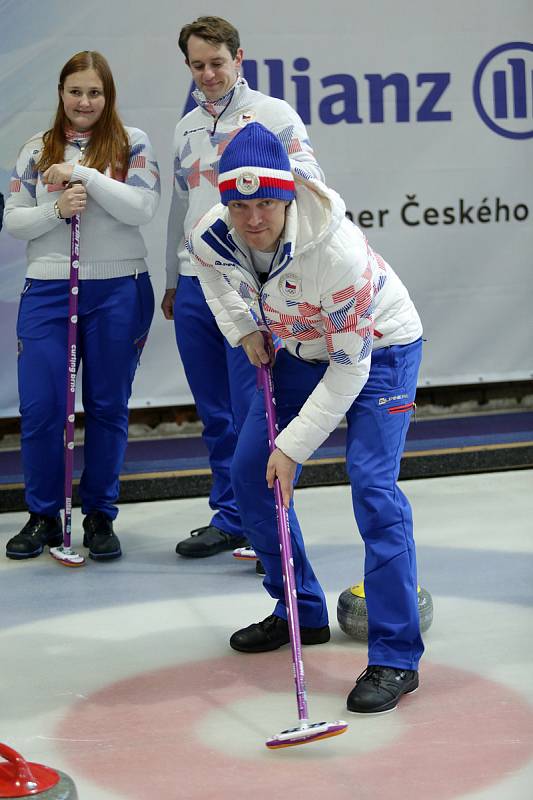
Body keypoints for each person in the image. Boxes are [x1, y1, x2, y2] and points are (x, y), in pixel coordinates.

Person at [187, 121, 425, 715]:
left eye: (265, 203)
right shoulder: (213, 235)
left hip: (379, 350)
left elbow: (350, 371)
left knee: (372, 485)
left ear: (287, 194)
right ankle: (298, 609)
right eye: (238, 206)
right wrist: (243, 328)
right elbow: (216, 280)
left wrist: (292, 448)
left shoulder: (334, 252)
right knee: (249, 474)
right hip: (298, 346)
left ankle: (396, 657)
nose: (252, 220)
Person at [162, 16, 324, 559]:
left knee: (258, 413)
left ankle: (269, 524)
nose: (208, 74)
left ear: (239, 59)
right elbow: (180, 210)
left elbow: (308, 191)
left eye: (217, 63)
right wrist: (170, 279)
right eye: (197, 65)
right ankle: (231, 515)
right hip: (194, 281)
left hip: (251, 284)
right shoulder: (185, 127)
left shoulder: (276, 116)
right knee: (215, 413)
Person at [4, 51, 160, 562]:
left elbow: (143, 206)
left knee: (108, 405)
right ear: (61, 93)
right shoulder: (35, 149)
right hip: (49, 287)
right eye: (76, 91)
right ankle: (44, 514)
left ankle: (98, 515)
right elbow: (14, 220)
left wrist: (85, 176)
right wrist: (56, 207)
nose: (85, 101)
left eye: (95, 92)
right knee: (43, 407)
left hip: (117, 286)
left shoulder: (131, 142)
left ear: (107, 95)